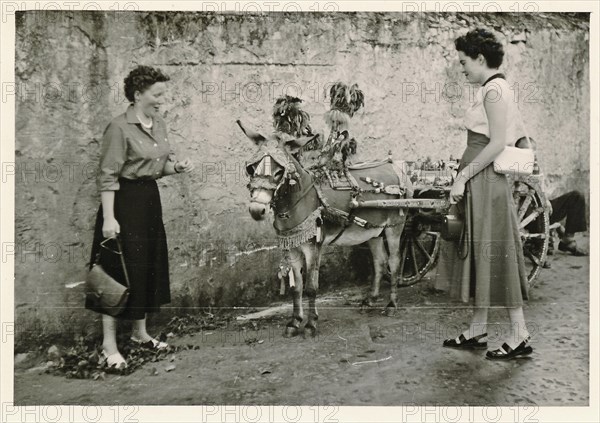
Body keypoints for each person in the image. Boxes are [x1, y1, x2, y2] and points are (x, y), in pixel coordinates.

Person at [86, 65, 194, 369]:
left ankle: (140, 334)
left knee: (147, 267)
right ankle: (109, 346)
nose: (162, 100)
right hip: (124, 203)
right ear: (137, 94)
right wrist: (109, 218)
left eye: (163, 94)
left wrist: (177, 167)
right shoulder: (119, 128)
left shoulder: (157, 124)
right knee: (116, 272)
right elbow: (108, 177)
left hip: (149, 201)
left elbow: (158, 168)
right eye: (157, 94)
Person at [435, 28, 533, 360]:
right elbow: (520, 137)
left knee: (496, 253)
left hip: (485, 180)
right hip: (484, 178)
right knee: (482, 254)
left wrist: (462, 176)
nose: (461, 68)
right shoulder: (495, 88)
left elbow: (495, 144)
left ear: (480, 58)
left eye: (464, 62)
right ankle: (478, 329)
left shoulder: (494, 90)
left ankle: (519, 335)